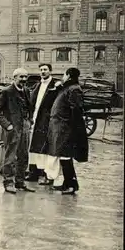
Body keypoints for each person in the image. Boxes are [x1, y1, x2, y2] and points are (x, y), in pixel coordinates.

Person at [43, 67, 88, 195]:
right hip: (59, 127)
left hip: (65, 128)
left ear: (68, 75)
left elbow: (76, 110)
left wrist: (72, 129)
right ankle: (67, 184)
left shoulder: (74, 89)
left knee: (66, 156)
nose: (62, 77)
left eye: (63, 75)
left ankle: (72, 185)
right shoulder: (66, 88)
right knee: (63, 156)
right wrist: (57, 87)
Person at [0, 68, 35, 194]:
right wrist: (8, 125)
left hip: (25, 128)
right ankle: (8, 183)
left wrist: (30, 120)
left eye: (25, 77)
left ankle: (20, 182)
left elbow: (29, 107)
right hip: (12, 129)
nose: (24, 79)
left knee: (24, 156)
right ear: (14, 78)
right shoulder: (6, 92)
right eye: (21, 77)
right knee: (10, 156)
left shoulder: (26, 90)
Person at [27, 63, 61, 186]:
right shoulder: (37, 85)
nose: (43, 72)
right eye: (41, 70)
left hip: (47, 120)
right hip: (35, 118)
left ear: (50, 71)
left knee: (46, 147)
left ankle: (47, 175)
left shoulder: (56, 85)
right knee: (33, 145)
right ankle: (33, 172)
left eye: (45, 70)